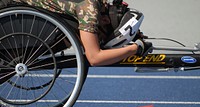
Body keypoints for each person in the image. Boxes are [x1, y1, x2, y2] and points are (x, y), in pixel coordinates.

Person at [3, 0, 153, 66]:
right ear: (106, 21)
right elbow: (95, 58)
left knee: (72, 30)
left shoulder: (96, 4)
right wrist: (135, 49)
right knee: (73, 33)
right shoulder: (90, 8)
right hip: (8, 11)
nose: (100, 38)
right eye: (105, 35)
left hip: (16, 12)